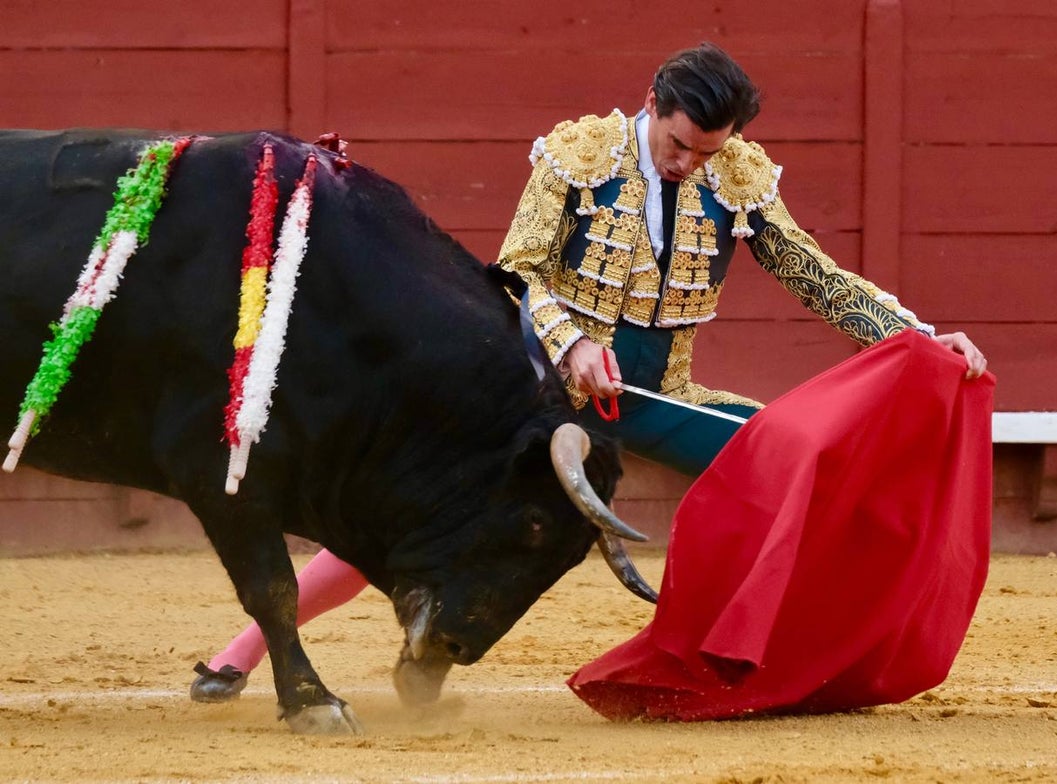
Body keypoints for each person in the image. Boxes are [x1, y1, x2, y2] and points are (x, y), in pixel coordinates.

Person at [190, 41, 987, 702]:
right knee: (413, 525)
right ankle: (252, 648)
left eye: (707, 152)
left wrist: (914, 336)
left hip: (660, 392)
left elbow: (814, 274)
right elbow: (518, 272)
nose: (688, 165)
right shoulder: (578, 156)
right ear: (652, 103)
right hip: (540, 396)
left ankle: (749, 666)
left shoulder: (736, 175)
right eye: (678, 145)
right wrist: (572, 343)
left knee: (795, 464)